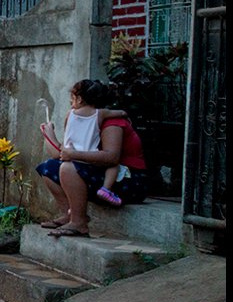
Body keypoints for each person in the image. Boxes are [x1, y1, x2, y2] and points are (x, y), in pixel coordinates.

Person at [34, 79, 148, 237]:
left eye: (73, 97)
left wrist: (72, 155)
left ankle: (79, 222)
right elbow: (60, 154)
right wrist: (49, 135)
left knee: (68, 168)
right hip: (98, 171)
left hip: (127, 179)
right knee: (48, 168)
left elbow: (111, 158)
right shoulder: (77, 118)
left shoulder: (111, 121)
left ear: (80, 99)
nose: (70, 101)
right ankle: (70, 215)